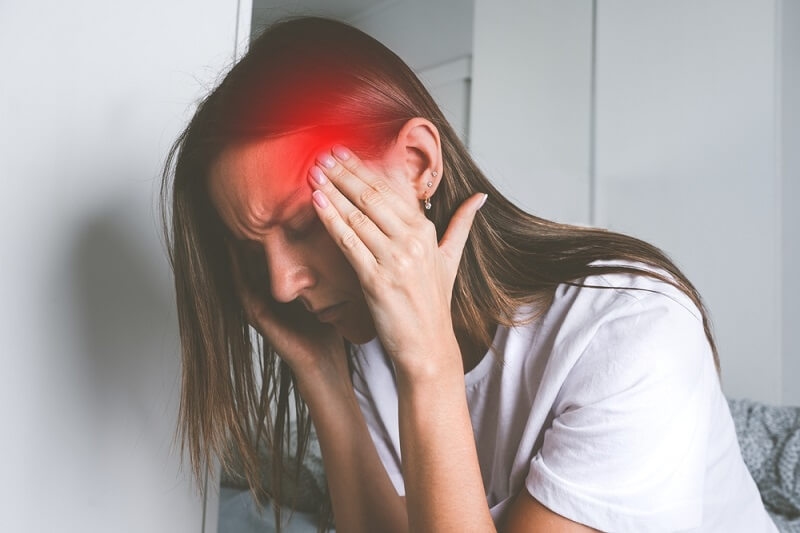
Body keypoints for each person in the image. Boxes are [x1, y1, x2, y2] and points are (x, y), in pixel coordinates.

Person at [160, 16, 777, 533]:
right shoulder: (366, 338)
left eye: (301, 225)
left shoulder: (634, 333)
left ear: (417, 165)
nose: (281, 285)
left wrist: (429, 364)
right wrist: (322, 374)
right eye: (251, 250)